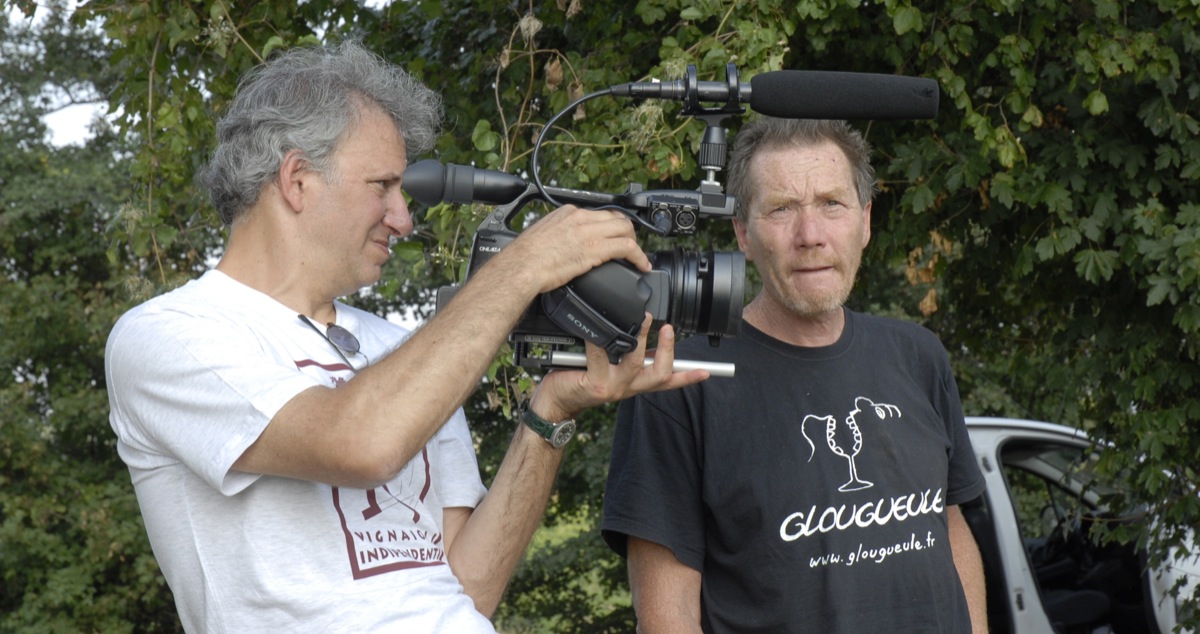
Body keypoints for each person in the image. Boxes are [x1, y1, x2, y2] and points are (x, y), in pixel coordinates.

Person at [104, 40, 708, 632]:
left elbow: (469, 589)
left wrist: (550, 412)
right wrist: (523, 267)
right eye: (382, 187)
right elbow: (361, 444)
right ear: (296, 179)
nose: (404, 218)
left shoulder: (400, 348)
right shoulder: (170, 336)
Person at [601, 117, 988, 633]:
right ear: (743, 232)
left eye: (832, 203)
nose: (811, 236)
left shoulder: (918, 356)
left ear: (866, 220)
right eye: (782, 209)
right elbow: (667, 615)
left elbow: (951, 527)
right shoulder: (679, 381)